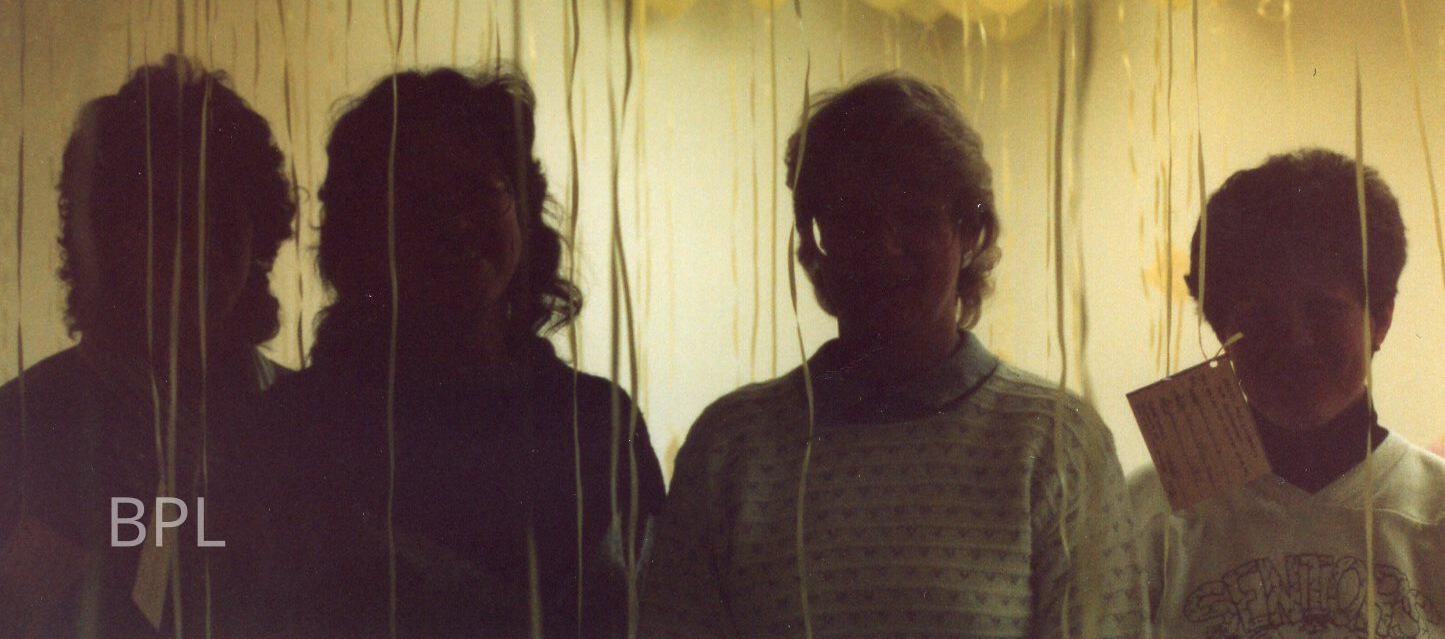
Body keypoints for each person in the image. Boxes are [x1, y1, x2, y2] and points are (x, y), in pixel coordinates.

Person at [641, 73, 1147, 639]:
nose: (884, 246)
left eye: (915, 214)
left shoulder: (1054, 440)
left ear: (970, 232)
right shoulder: (732, 445)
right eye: (854, 218)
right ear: (815, 238)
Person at [245, 67, 665, 639]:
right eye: (417, 198)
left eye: (479, 189)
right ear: (362, 229)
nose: (456, 221)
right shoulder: (289, 433)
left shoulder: (597, 422)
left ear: (523, 210)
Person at [0, 57, 297, 638]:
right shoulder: (24, 425)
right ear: (103, 234)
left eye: (216, 212)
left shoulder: (304, 420)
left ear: (257, 233)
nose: (190, 242)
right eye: (160, 212)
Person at [1131, 149, 1445, 638]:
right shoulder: (1148, 513)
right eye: (1262, 316)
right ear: (1222, 330)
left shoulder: (1435, 511)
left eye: (1322, 309)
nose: (1295, 340)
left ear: (1380, 318)